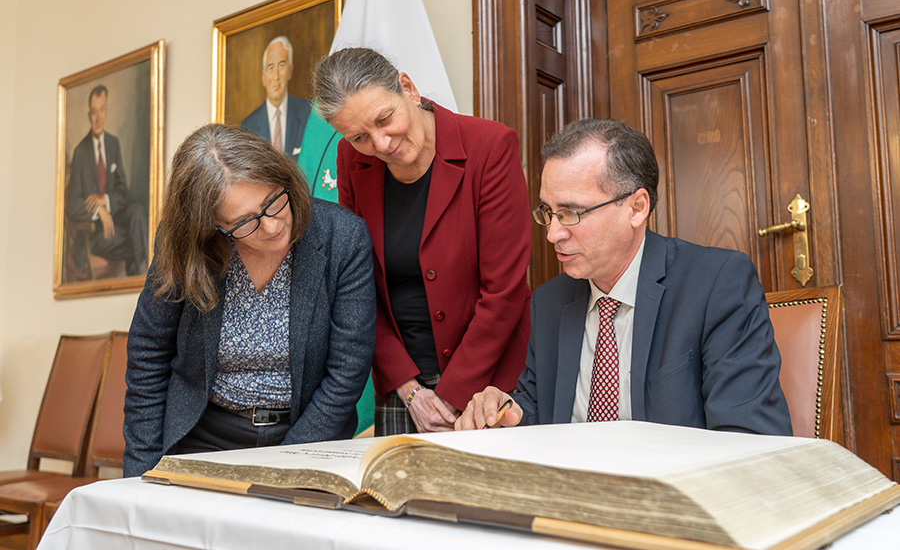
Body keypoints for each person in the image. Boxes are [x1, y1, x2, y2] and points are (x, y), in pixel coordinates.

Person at [456, 118, 792, 435]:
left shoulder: (716, 284)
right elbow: (539, 415)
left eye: (571, 213)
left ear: (636, 207)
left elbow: (747, 435)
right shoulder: (550, 301)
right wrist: (507, 412)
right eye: (548, 212)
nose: (553, 234)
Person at [123, 124, 375, 477]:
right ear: (211, 226)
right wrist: (140, 474)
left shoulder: (342, 237)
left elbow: (347, 371)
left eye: (273, 202)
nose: (271, 227)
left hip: (310, 437)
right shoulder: (185, 245)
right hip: (203, 438)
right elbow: (148, 355)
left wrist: (285, 465)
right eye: (245, 222)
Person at [312, 47, 531, 435]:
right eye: (360, 136)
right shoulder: (352, 160)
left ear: (408, 89)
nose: (381, 144)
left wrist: (450, 396)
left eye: (385, 119)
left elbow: (505, 290)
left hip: (487, 383)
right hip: (403, 389)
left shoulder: (489, 146)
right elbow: (357, 287)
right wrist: (411, 391)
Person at [66, 84, 148, 276]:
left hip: (118, 218)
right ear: (89, 115)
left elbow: (123, 192)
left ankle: (137, 275)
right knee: (135, 238)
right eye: (94, 111)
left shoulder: (112, 144)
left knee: (137, 211)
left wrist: (106, 201)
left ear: (106, 110)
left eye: (102, 110)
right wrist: (98, 209)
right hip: (95, 232)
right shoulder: (80, 152)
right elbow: (73, 205)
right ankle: (138, 277)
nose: (98, 117)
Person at [241, 36, 313, 159]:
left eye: (281, 66)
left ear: (290, 71)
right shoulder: (249, 126)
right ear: (263, 77)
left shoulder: (309, 112)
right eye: (270, 68)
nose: (276, 76)